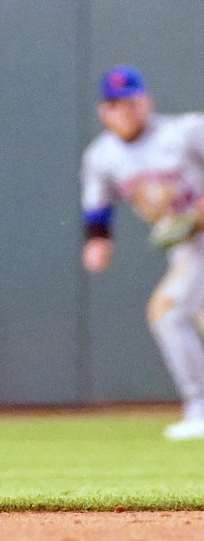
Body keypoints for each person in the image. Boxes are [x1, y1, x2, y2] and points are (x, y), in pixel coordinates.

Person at [81, 65, 204, 441]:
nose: (126, 112)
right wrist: (98, 240)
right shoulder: (102, 156)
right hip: (187, 247)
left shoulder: (185, 132)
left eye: (131, 102)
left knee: (167, 313)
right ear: (105, 111)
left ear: (146, 101)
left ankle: (199, 408)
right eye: (116, 105)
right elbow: (97, 207)